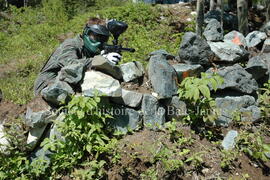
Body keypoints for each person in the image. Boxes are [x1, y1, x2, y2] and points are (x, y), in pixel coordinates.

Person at [34, 18, 122, 104]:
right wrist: (101, 60)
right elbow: (71, 64)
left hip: (70, 84)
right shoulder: (71, 44)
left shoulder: (92, 50)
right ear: (86, 33)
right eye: (96, 36)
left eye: (103, 39)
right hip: (48, 86)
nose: (99, 42)